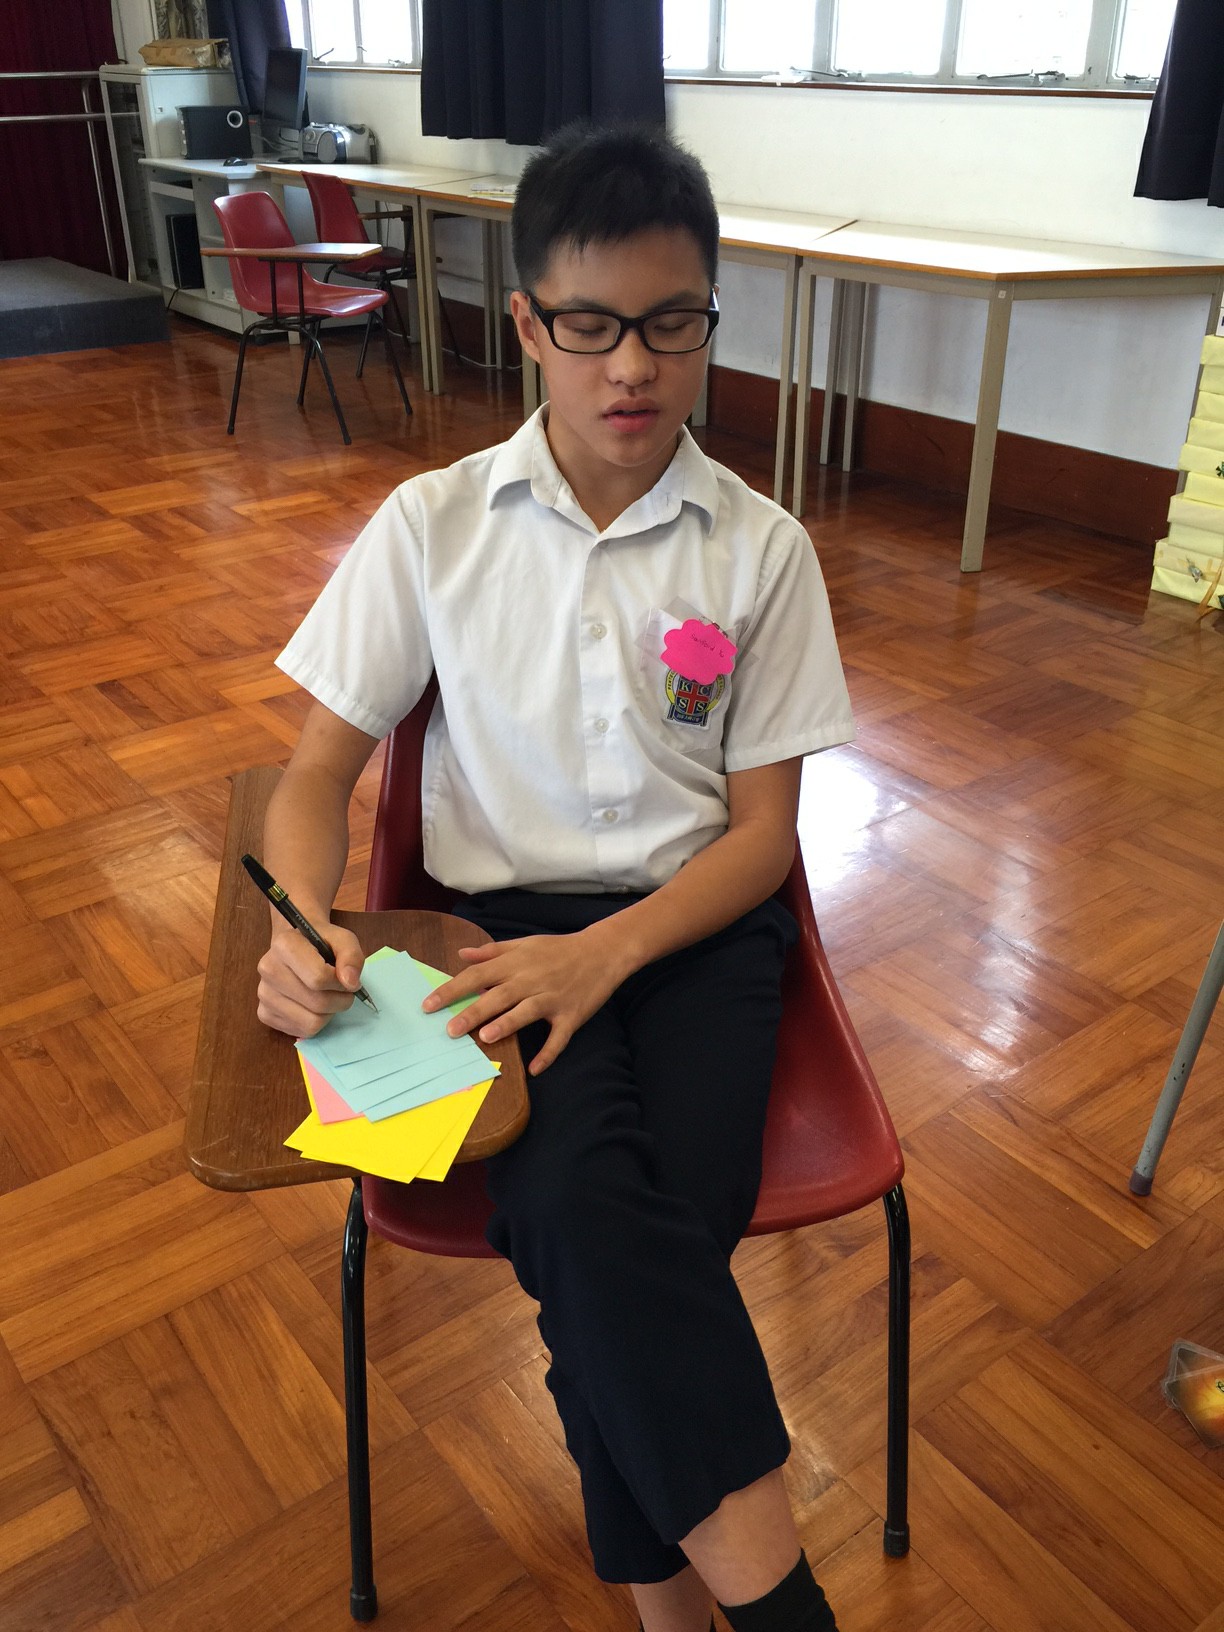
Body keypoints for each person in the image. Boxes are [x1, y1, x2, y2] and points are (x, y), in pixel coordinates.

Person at [257, 122, 854, 1632]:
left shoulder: (762, 550)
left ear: (710, 322)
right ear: (526, 324)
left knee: (660, 1227)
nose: (632, 368)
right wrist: (304, 924)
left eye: (671, 324)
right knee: (595, 1210)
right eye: (590, 327)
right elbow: (314, 776)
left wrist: (610, 953)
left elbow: (764, 838)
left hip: (701, 927)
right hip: (489, 941)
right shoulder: (434, 525)